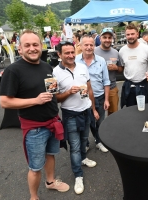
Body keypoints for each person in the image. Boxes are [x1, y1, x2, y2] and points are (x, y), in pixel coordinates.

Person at [0, 30, 70, 200]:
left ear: (41, 46)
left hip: (53, 121)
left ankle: (51, 182)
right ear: (20, 48)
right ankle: (33, 197)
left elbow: (51, 91)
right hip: (35, 129)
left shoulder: (46, 66)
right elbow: (5, 102)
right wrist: (35, 100)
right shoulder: (13, 70)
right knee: (35, 166)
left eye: (35, 44)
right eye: (27, 45)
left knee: (51, 154)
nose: (32, 48)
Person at [53, 41, 97, 195]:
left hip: (86, 111)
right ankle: (78, 175)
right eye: (67, 53)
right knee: (75, 146)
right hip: (70, 114)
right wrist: (68, 92)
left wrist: (93, 108)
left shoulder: (82, 67)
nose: (71, 55)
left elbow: (89, 89)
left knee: (85, 140)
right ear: (59, 55)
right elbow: (55, 98)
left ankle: (83, 159)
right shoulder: (55, 73)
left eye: (72, 52)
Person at [75, 35, 110, 153]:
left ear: (94, 46)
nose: (89, 47)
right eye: (86, 45)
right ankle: (86, 143)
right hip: (83, 98)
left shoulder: (101, 60)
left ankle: (99, 141)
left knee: (100, 122)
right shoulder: (75, 61)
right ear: (80, 46)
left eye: (91, 45)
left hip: (99, 97)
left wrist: (106, 99)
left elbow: (106, 81)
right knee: (86, 123)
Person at [119, 23, 148, 108]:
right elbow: (124, 66)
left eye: (132, 34)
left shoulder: (147, 50)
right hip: (129, 86)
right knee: (129, 111)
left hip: (143, 86)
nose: (130, 36)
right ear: (125, 36)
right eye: (128, 34)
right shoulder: (122, 51)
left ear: (137, 34)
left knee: (144, 111)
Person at [94, 28, 122, 116]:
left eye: (109, 37)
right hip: (97, 90)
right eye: (104, 37)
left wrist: (116, 68)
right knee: (98, 117)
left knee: (113, 116)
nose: (107, 40)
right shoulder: (94, 51)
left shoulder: (115, 53)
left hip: (112, 88)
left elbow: (121, 69)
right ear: (100, 38)